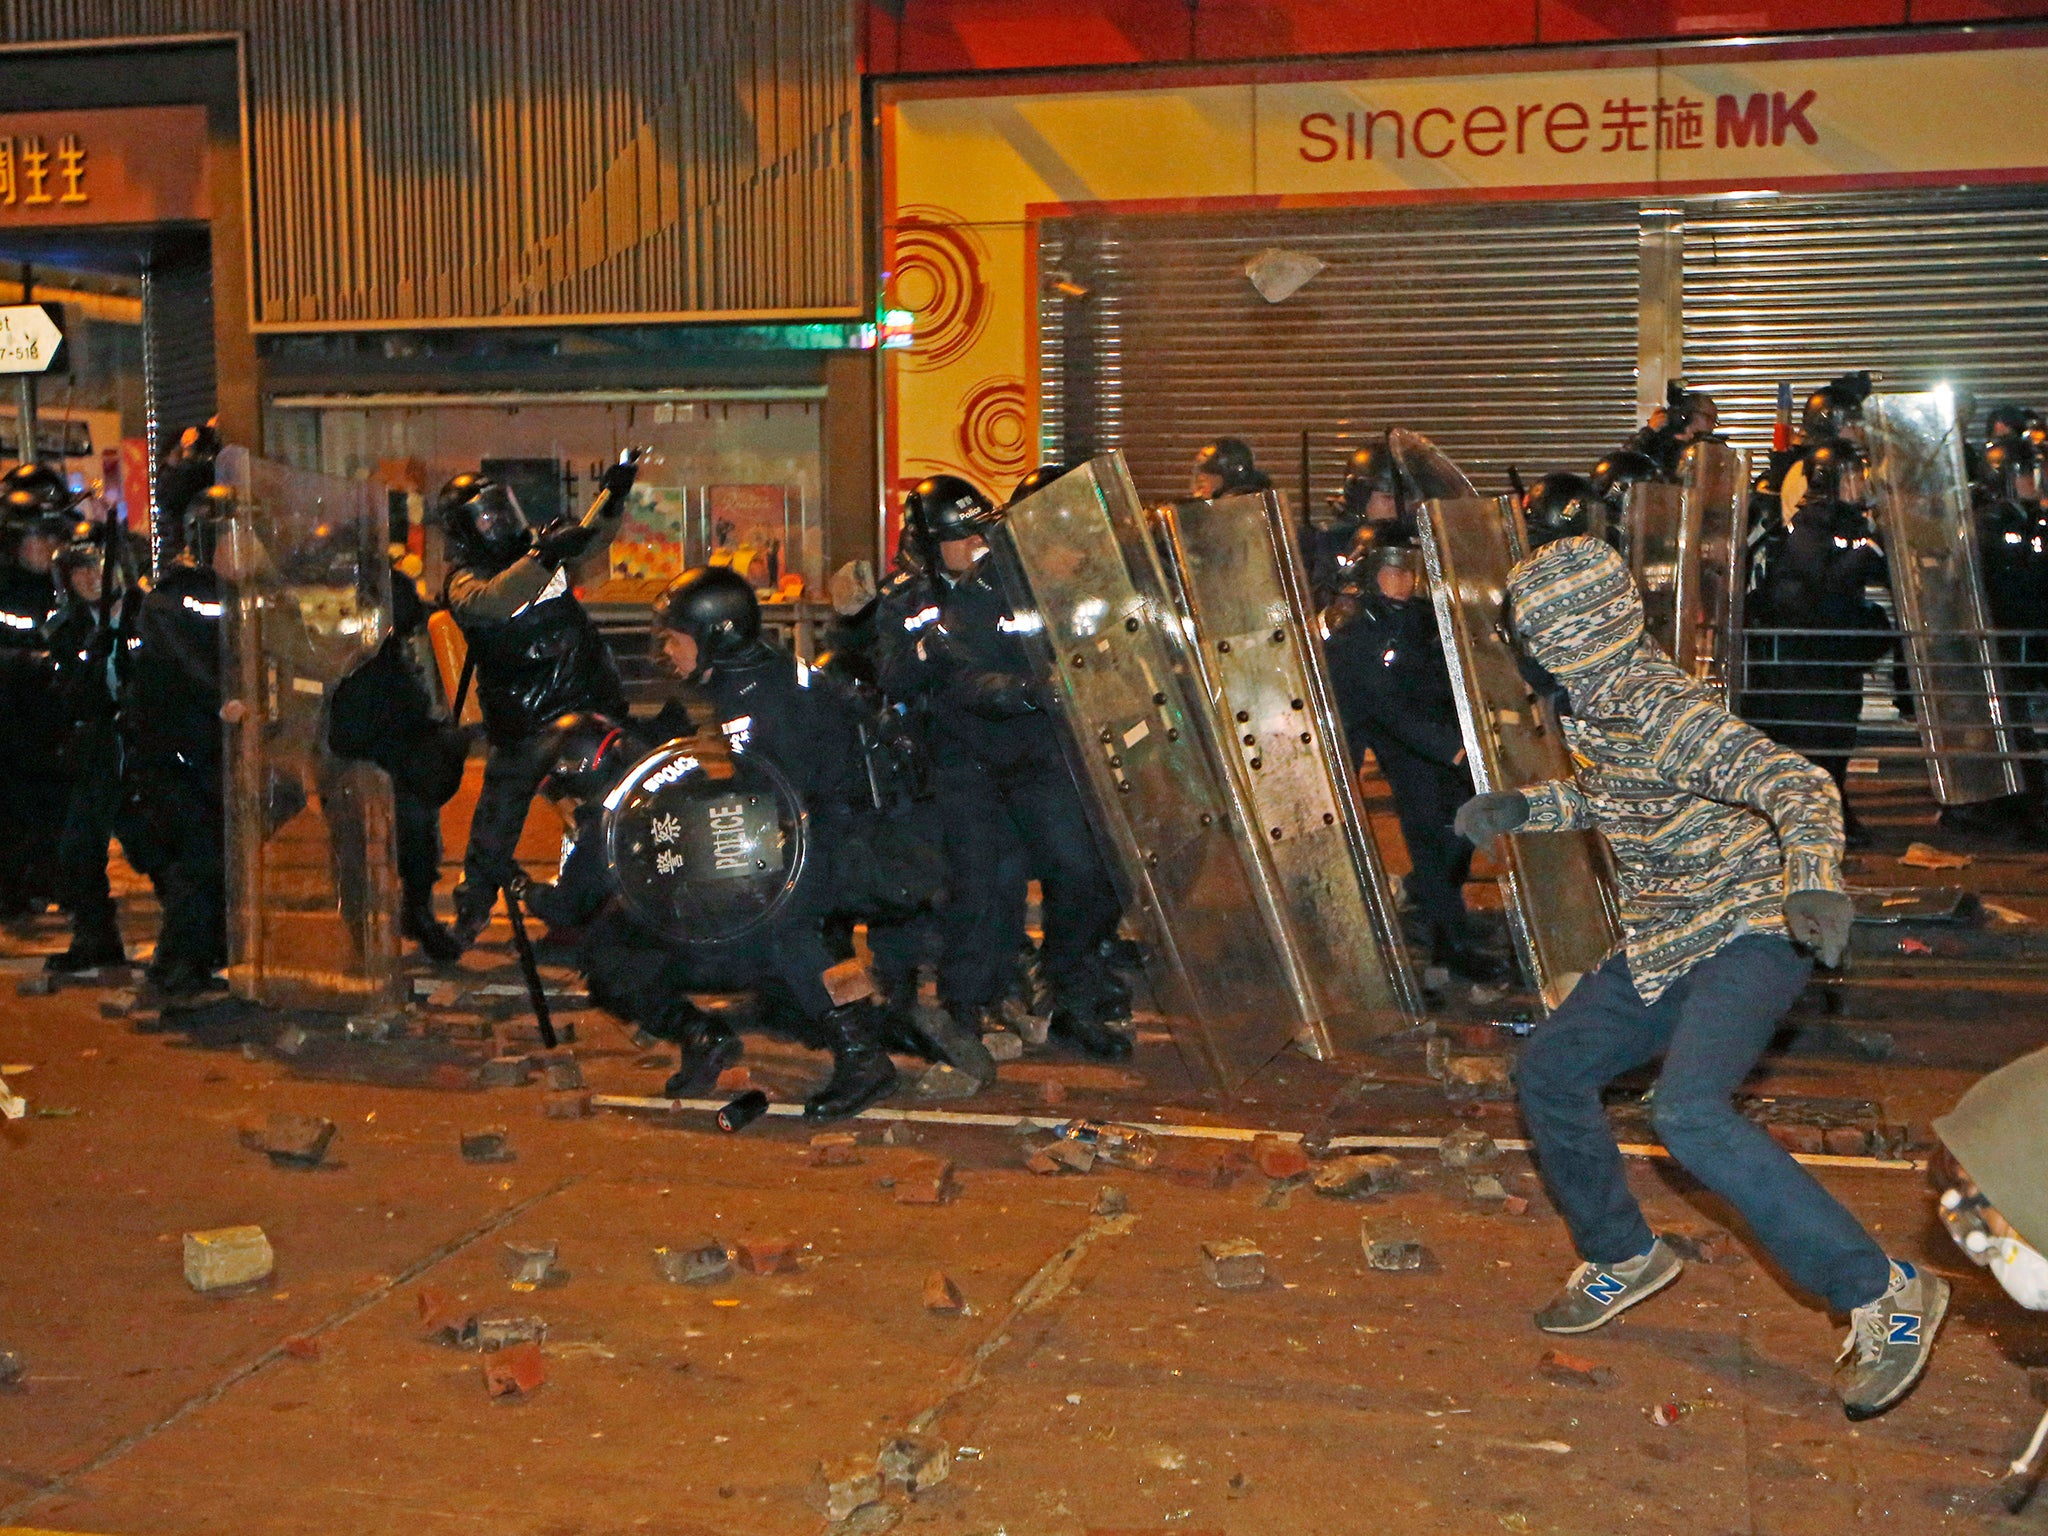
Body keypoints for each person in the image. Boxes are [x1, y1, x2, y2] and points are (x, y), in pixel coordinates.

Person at [1456, 534, 1945, 1422]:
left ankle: (1882, 1287)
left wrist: (1813, 879)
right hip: (1669, 935)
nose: (1524, 651)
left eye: (1529, 634)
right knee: (1550, 1069)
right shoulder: (1597, 699)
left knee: (1687, 1112)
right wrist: (1531, 808)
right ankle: (1624, 1253)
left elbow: (1795, 783)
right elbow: (1620, 795)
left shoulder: (1660, 705)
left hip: (1756, 928)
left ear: (1562, 636)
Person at [563, 568, 925, 1118]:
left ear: (717, 636)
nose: (667, 651)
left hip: (857, 837)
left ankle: (862, 1060)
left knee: (779, 923)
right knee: (767, 915)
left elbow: (772, 798)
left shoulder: (758, 700)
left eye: (676, 639)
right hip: (838, 823)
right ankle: (804, 1014)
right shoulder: (747, 679)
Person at [892, 473, 1131, 1059]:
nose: (976, 544)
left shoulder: (1060, 585)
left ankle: (1067, 984)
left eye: (981, 531)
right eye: (962, 535)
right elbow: (956, 678)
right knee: (985, 882)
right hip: (966, 758)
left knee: (1086, 868)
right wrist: (1031, 689)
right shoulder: (962, 594)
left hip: (1038, 752)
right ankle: (969, 1002)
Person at [440, 453, 639, 950]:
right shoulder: (466, 581)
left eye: (501, 509)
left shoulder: (536, 549)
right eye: (485, 517)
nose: (499, 522)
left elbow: (590, 540)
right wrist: (544, 555)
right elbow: (495, 600)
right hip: (526, 718)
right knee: (496, 822)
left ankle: (582, 904)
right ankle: (473, 909)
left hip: (584, 697)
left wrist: (612, 496)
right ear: (465, 530)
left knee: (602, 807)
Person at [1321, 531, 1502, 985]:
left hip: (1436, 738)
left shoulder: (1426, 619)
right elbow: (1382, 704)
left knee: (1459, 832)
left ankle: (1431, 907)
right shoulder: (1355, 631)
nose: (1402, 582)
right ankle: (1445, 942)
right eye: (1392, 571)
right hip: (1392, 740)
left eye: (1409, 571)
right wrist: (1450, 748)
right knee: (1426, 832)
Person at [118, 485, 234, 998]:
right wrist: (226, 698)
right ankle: (177, 965)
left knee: (218, 854)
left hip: (213, 750)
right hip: (173, 754)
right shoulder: (175, 595)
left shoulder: (249, 591)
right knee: (199, 856)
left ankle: (201, 954)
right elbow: (188, 664)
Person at [1747, 439, 1892, 847]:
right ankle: (1814, 822)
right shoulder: (1812, 523)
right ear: (1831, 481)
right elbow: (1824, 583)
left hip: (1834, 655)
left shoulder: (1848, 522)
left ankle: (1835, 811)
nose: (1860, 484)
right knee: (1817, 742)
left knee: (1839, 738)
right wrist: (1870, 549)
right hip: (1808, 657)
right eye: (1852, 476)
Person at [327, 561, 470, 961]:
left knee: (417, 826)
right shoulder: (360, 646)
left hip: (390, 746)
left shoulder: (386, 623)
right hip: (360, 748)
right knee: (367, 836)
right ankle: (366, 928)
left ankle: (415, 910)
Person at [42, 523, 140, 970]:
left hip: (146, 743)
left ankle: (198, 942)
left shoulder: (147, 613)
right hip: (100, 743)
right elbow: (68, 693)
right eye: (79, 570)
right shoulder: (67, 626)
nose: (89, 578)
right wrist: (89, 659)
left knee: (157, 846)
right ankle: (95, 935)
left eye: (97, 567)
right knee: (80, 848)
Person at [0, 471, 74, 920]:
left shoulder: (70, 584)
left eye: (53, 536)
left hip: (58, 720)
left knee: (58, 809)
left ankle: (53, 879)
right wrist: (27, 662)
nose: (47, 547)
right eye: (37, 537)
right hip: (11, 721)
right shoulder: (6, 588)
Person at [1622, 385, 1719, 481]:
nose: (1712, 426)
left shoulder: (1712, 447)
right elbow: (1625, 463)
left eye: (1714, 421)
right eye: (1709, 419)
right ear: (1692, 413)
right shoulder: (1658, 439)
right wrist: (1649, 431)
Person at [1188, 437, 1271, 501]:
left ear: (1231, 475)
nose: (1201, 476)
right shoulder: (1203, 511)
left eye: (1212, 470)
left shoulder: (1250, 507)